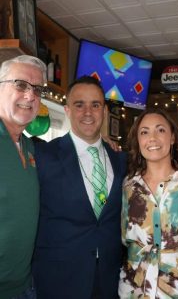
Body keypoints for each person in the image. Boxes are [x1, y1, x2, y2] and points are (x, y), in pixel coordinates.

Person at [32, 76, 127, 299]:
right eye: (79, 104)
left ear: (104, 111)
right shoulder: (43, 156)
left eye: (95, 105)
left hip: (109, 278)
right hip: (58, 279)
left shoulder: (121, 159)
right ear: (66, 110)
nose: (88, 112)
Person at [119, 108, 178, 298]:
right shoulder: (128, 185)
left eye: (160, 130)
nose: (152, 138)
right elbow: (124, 238)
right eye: (144, 132)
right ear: (138, 141)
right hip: (135, 287)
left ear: (173, 137)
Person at [0, 55, 47, 299]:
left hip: (25, 285)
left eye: (37, 89)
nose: (30, 96)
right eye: (20, 85)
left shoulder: (31, 147)